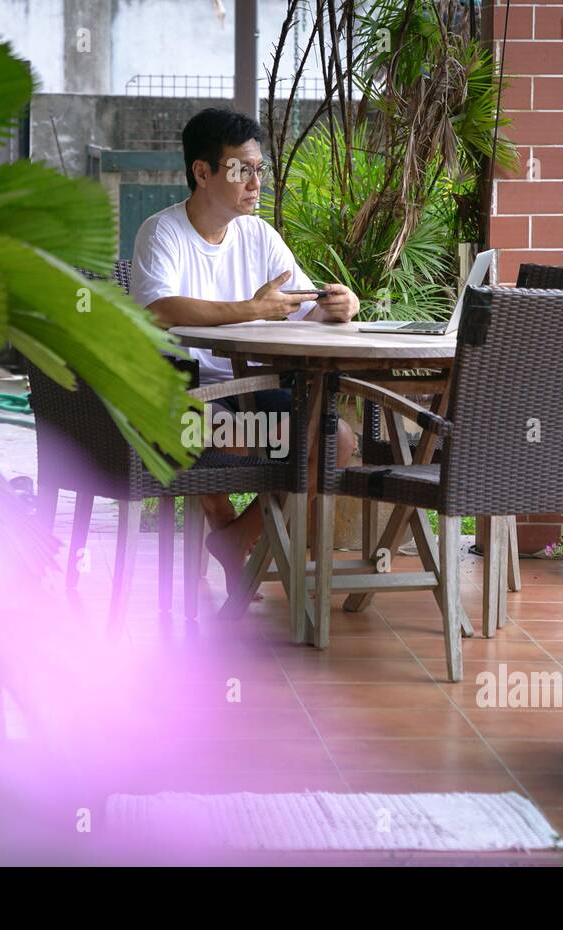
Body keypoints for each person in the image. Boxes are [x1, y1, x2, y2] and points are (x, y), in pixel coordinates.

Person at [132, 107, 359, 595]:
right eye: (242, 170)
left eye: (260, 170)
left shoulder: (259, 235)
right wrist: (251, 308)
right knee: (227, 437)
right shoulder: (163, 232)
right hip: (182, 395)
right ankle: (226, 527)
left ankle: (238, 537)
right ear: (203, 172)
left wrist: (335, 306)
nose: (256, 182)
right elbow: (158, 309)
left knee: (336, 439)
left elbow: (296, 306)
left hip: (254, 388)